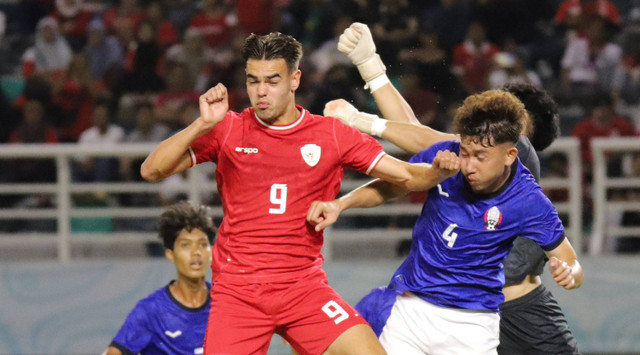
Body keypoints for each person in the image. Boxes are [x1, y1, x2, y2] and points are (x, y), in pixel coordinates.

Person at [140, 31, 459, 354]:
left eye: (272, 81)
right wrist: (202, 124)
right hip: (239, 292)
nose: (261, 92)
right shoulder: (229, 128)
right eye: (253, 81)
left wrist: (437, 172)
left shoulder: (331, 134)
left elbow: (405, 175)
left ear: (295, 79)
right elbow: (151, 170)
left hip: (303, 289)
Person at [316, 23, 584, 354]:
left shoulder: (519, 155)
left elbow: (424, 137)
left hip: (518, 313)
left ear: (522, 129)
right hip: (444, 310)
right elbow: (417, 136)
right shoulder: (477, 152)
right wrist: (370, 66)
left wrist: (361, 119)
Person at [104, 201, 217, 355]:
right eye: (185, 245)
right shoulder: (150, 311)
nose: (196, 252)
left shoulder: (224, 303)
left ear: (211, 251)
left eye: (203, 244)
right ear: (171, 254)